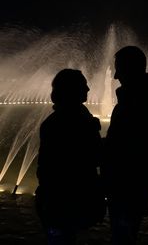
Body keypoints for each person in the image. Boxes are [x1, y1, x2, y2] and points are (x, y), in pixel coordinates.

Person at [103, 46, 148, 245]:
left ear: (132, 69)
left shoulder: (144, 104)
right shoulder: (147, 100)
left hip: (128, 190)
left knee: (123, 237)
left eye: (119, 69)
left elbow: (141, 151)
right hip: (128, 189)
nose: (115, 75)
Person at [35, 68, 106, 245]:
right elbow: (90, 157)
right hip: (64, 204)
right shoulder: (72, 121)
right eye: (84, 85)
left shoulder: (65, 118)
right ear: (71, 89)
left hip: (60, 203)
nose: (88, 89)